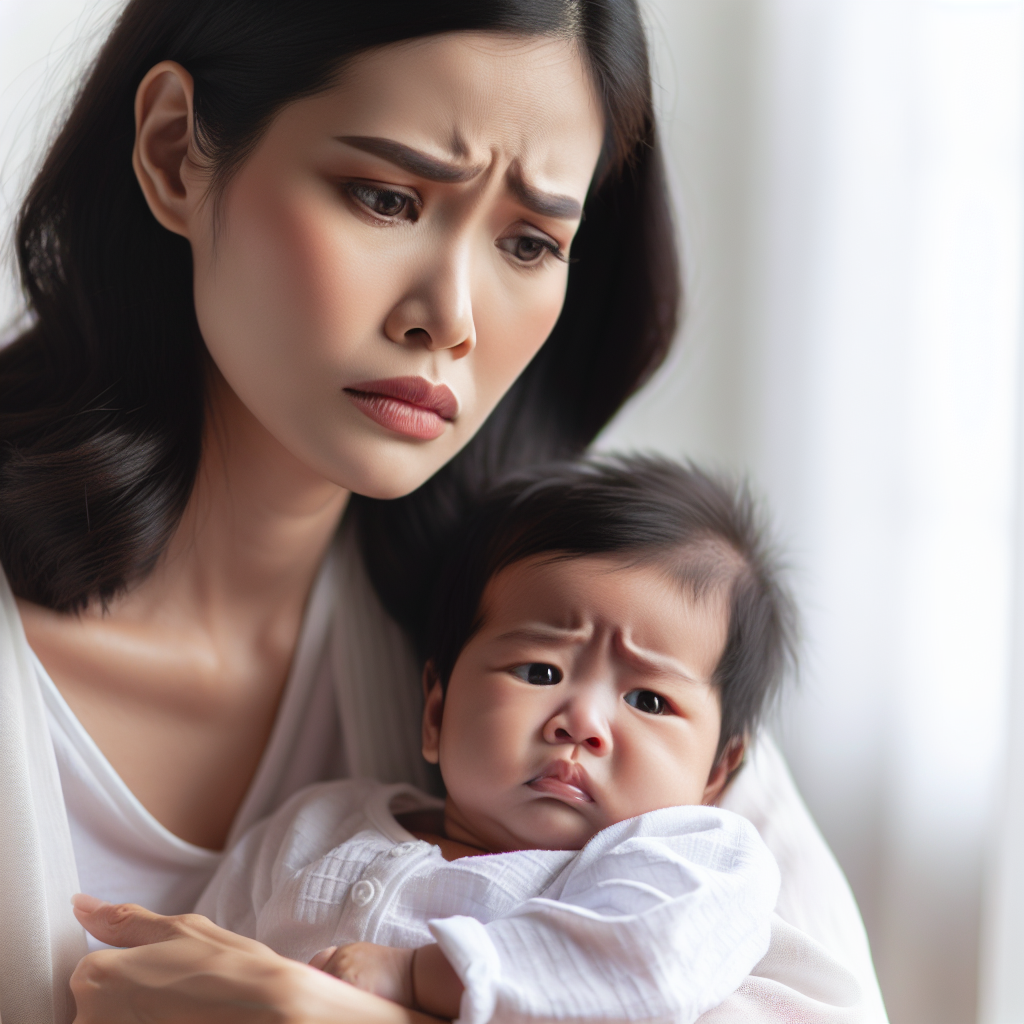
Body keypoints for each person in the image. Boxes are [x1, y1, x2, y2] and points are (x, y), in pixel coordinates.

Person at [0, 1, 886, 1022]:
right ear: (173, 154)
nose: (450, 319)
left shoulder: (576, 622)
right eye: (385, 197)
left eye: (527, 243)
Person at [188, 457, 790, 1023]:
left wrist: (420, 977)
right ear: (437, 711)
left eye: (648, 701)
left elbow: (648, 961)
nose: (581, 723)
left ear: (717, 774)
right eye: (539, 672)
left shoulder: (692, 859)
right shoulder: (314, 826)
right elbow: (194, 965)